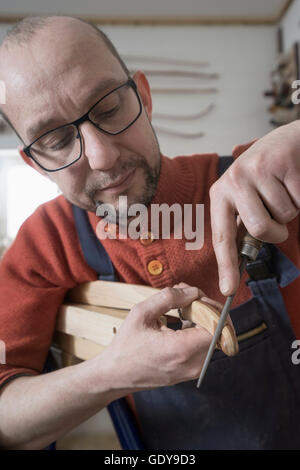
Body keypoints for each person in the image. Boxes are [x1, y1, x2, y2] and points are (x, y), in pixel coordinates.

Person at [0, 16, 299, 450]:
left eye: (107, 109)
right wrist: (111, 374)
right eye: (56, 140)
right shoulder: (48, 242)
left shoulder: (259, 184)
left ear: (144, 96)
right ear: (33, 161)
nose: (102, 157)